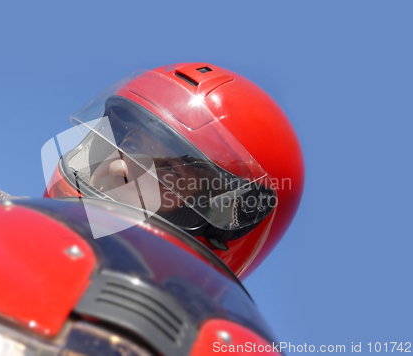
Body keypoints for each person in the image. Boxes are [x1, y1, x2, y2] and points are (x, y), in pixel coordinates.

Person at [46, 62, 305, 278]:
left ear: (221, 223)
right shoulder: (5, 221)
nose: (119, 167)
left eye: (169, 172)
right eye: (131, 143)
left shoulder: (203, 340)